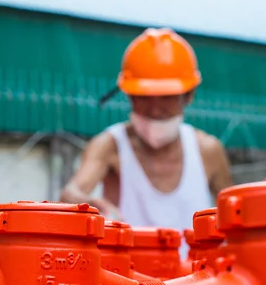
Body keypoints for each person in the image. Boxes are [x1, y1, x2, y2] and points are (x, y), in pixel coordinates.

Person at [60, 28, 233, 255]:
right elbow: (70, 193)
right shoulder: (110, 146)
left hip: (195, 283)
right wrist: (88, 204)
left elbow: (236, 217)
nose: (155, 109)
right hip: (130, 284)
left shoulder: (207, 151)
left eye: (167, 97)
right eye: (144, 98)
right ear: (129, 95)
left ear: (188, 96)